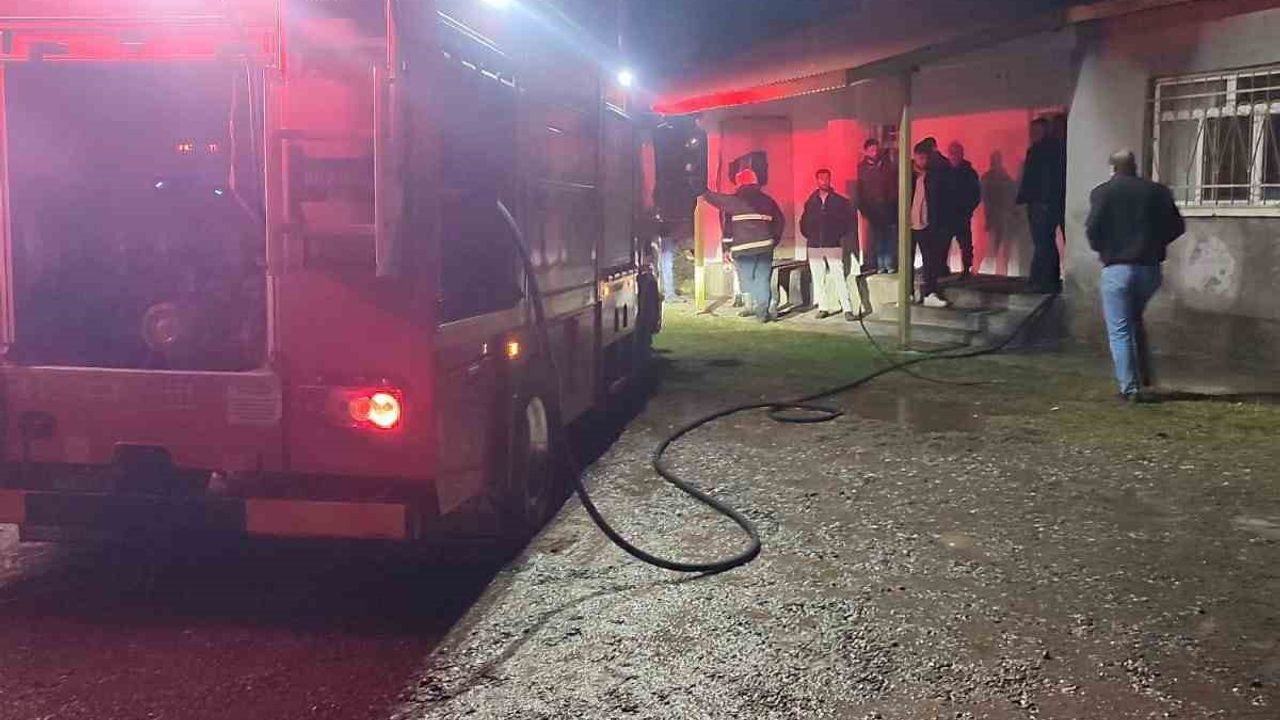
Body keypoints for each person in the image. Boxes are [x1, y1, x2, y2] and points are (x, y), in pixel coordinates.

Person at [1085, 149, 1185, 403]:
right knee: (1133, 319)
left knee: (1119, 329)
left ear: (1113, 168)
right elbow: (1177, 226)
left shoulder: (1102, 192)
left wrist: (1105, 249)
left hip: (1117, 268)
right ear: (1135, 166)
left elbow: (1093, 229)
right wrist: (1156, 244)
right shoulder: (1158, 192)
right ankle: (1144, 376)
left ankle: (1129, 389)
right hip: (1150, 269)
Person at [703, 168, 785, 322]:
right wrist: (774, 241)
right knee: (762, 279)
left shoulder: (735, 201)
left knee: (747, 281)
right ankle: (763, 311)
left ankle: (761, 306)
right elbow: (780, 221)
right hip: (765, 247)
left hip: (743, 249)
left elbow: (714, 200)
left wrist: (698, 186)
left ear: (739, 183)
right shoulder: (768, 200)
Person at [801, 169, 861, 321]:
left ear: (830, 179)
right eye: (821, 178)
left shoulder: (839, 201)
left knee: (839, 276)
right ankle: (823, 307)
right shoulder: (811, 201)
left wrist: (837, 234)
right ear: (816, 180)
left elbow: (847, 222)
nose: (824, 181)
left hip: (832, 243)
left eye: (826, 178)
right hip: (814, 245)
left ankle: (847, 308)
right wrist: (809, 234)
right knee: (818, 278)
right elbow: (804, 221)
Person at [1017, 117, 1067, 293]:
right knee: (1046, 241)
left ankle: (1040, 280)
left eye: (1036, 131)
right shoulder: (1056, 149)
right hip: (1046, 201)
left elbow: (1039, 178)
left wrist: (1038, 199)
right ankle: (1049, 279)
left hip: (1040, 202)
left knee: (1042, 242)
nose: (1032, 135)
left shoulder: (1041, 150)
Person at [910, 141, 952, 308]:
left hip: (927, 223)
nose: (921, 161)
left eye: (924, 158)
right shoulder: (908, 175)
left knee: (929, 259)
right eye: (919, 157)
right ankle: (908, 293)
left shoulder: (935, 175)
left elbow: (940, 198)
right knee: (907, 259)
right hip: (909, 223)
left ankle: (930, 293)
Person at [855, 138, 898, 274]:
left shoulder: (887, 164)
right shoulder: (862, 168)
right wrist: (863, 208)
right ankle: (880, 264)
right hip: (872, 208)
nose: (875, 152)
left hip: (888, 206)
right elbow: (860, 190)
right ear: (866, 151)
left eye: (876, 149)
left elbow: (893, 186)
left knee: (889, 236)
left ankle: (889, 263)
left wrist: (894, 203)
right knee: (877, 237)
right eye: (872, 150)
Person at [947, 141, 982, 279]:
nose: (954, 156)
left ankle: (966, 269)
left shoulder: (969, 173)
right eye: (952, 153)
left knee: (965, 244)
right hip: (948, 214)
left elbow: (976, 194)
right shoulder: (945, 171)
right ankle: (943, 269)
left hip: (962, 214)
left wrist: (967, 209)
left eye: (956, 153)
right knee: (943, 244)